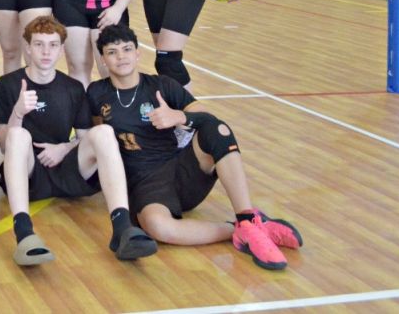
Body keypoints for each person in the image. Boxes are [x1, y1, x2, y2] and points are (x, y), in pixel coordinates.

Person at [87, 24, 303, 270]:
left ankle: (247, 216)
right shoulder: (97, 93)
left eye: (127, 49)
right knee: (158, 227)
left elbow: (207, 118)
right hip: (145, 185)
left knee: (218, 130)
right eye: (112, 52)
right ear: (102, 59)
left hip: (181, 170)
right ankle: (240, 230)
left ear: (138, 53)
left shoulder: (162, 85)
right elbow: (98, 142)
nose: (121, 56)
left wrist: (179, 116)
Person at [0, 16, 157, 266]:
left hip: (66, 170)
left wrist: (63, 147)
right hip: (29, 172)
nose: (46, 52)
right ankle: (24, 234)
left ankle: (122, 228)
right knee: (17, 134)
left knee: (103, 132)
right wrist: (18, 112)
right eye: (39, 44)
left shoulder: (73, 88)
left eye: (53, 45)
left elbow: (82, 138)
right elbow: (5, 146)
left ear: (61, 49)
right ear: (28, 47)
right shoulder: (7, 84)